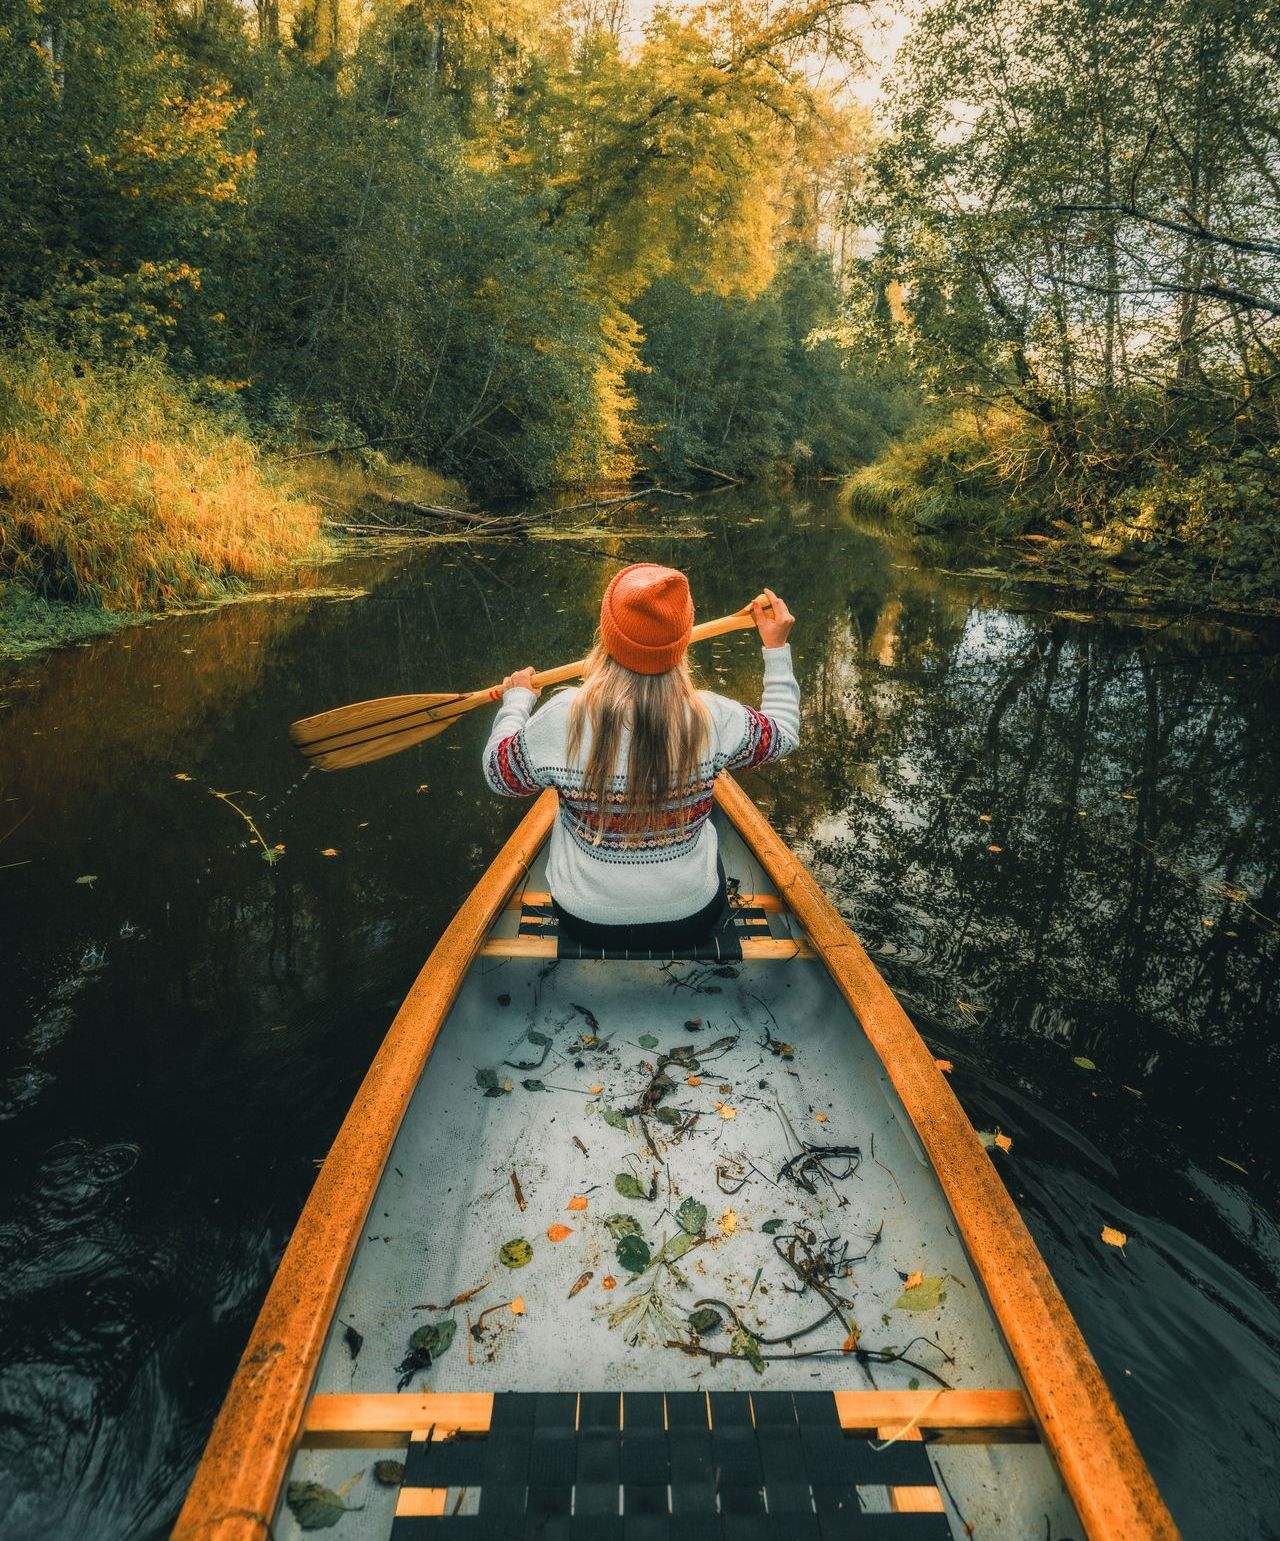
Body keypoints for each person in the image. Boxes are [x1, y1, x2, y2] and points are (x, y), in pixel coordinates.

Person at [482, 563, 799, 951]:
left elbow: (500, 774)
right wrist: (776, 648)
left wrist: (517, 701)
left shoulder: (564, 716)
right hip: (691, 917)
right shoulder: (712, 717)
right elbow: (782, 734)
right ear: (682, 643)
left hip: (586, 920)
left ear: (607, 637)